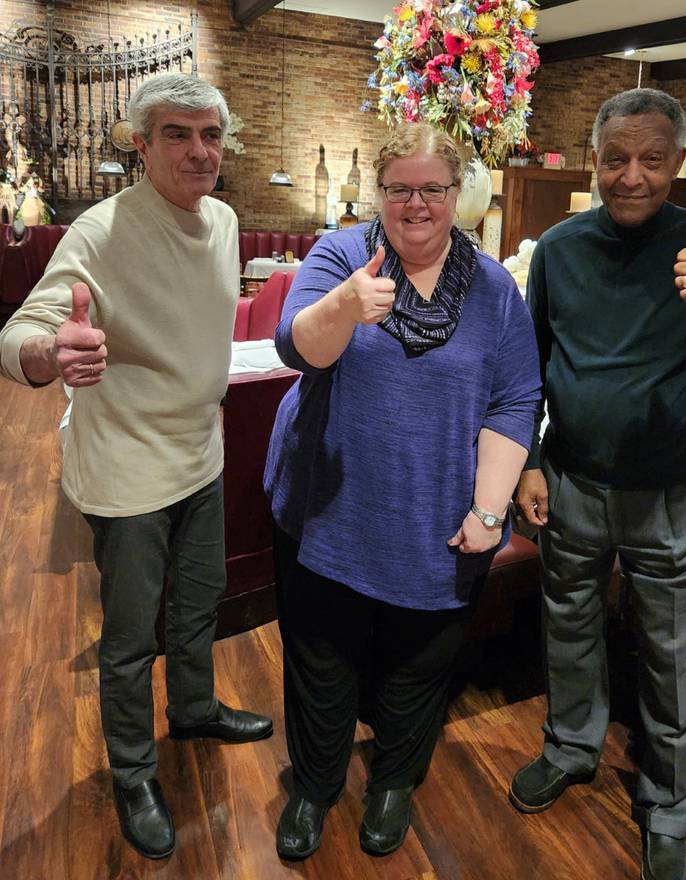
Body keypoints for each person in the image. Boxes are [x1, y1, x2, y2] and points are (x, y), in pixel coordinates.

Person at [509, 88, 686, 880]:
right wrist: (529, 457)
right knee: (568, 624)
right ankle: (570, 748)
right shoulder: (559, 249)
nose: (631, 177)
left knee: (673, 651)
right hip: (572, 480)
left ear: (678, 162)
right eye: (615, 159)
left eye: (651, 159)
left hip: (676, 490)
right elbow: (528, 369)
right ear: (594, 160)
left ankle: (668, 804)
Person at [0, 73, 273, 860]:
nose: (199, 150)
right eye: (179, 135)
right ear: (142, 145)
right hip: (125, 466)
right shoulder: (101, 232)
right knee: (128, 637)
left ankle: (191, 710)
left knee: (199, 604)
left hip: (200, 453)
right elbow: (20, 333)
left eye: (210, 134)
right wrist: (56, 351)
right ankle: (131, 771)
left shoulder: (221, 220)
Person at [264, 122, 540, 860]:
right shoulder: (343, 254)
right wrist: (345, 307)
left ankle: (392, 782)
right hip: (328, 507)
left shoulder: (491, 287)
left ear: (458, 196)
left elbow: (515, 400)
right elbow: (298, 345)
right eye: (398, 189)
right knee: (322, 660)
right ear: (378, 194)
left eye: (432, 189)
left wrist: (490, 508)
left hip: (435, 516)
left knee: (420, 663)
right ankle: (316, 788)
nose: (415, 204)